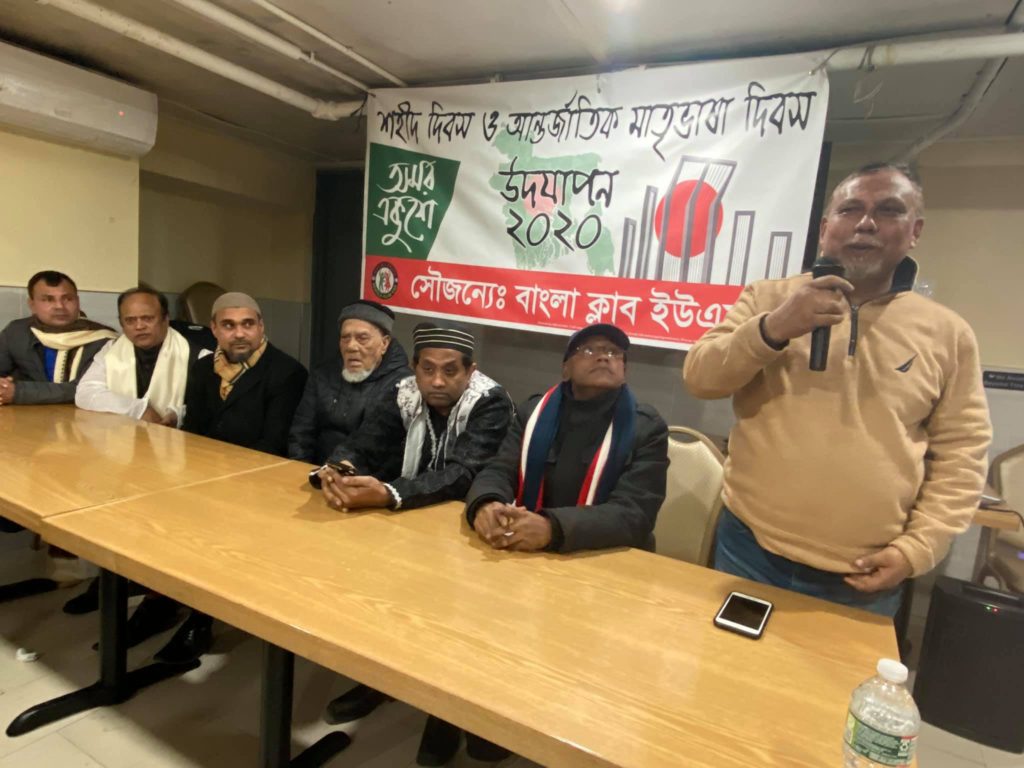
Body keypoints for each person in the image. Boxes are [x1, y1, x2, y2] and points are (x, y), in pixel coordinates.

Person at [682, 162, 992, 617]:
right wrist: (773, 328)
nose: (865, 223)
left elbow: (963, 453)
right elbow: (700, 378)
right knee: (727, 664)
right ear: (825, 228)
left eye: (888, 210)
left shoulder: (948, 333)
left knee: (835, 671)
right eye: (851, 210)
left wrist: (919, 548)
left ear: (915, 231)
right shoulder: (767, 298)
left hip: (865, 574)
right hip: (749, 550)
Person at [317, 322, 514, 766]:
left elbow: (463, 473)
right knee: (382, 603)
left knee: (449, 626)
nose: (437, 381)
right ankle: (377, 682)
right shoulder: (403, 392)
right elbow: (365, 443)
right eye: (428, 370)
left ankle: (442, 714)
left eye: (450, 371)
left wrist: (389, 493)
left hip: (466, 532)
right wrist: (339, 469)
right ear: (414, 367)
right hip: (408, 524)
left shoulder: (490, 401)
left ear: (471, 371)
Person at [152, 291, 307, 664]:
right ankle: (162, 604)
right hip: (206, 479)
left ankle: (200, 620)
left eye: (248, 324)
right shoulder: (204, 369)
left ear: (261, 326)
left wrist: (222, 484)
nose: (239, 334)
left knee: (216, 541)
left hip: (258, 485)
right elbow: (194, 431)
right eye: (229, 325)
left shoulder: (286, 372)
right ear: (214, 330)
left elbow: (273, 444)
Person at [64, 286, 212, 620]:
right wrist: (140, 409)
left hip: (182, 462)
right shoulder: (112, 351)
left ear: (165, 319)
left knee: (164, 532)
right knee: (113, 520)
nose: (139, 326)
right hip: (125, 459)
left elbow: (206, 403)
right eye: (130, 320)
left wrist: (175, 414)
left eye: (147, 318)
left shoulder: (198, 352)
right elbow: (85, 393)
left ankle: (161, 601)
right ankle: (116, 583)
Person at [466, 322, 669, 554]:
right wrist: (486, 503)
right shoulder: (533, 413)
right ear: (566, 369)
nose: (604, 357)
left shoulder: (646, 426)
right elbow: (500, 469)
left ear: (624, 371)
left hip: (608, 555)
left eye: (614, 352)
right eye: (589, 350)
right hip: (529, 548)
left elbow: (635, 513)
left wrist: (551, 528)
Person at [288, 299, 410, 464]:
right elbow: (301, 433)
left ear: (384, 343)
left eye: (362, 338)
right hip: (315, 470)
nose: (351, 346)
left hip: (367, 476)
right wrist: (300, 469)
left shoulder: (403, 385)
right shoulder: (323, 374)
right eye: (345, 338)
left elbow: (383, 450)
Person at [0, 270, 116, 407]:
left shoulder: (102, 339)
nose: (60, 306)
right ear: (32, 305)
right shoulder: (17, 332)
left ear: (78, 301)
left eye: (67, 299)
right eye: (48, 299)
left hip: (81, 416)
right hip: (23, 415)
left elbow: (84, 389)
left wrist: (18, 392)